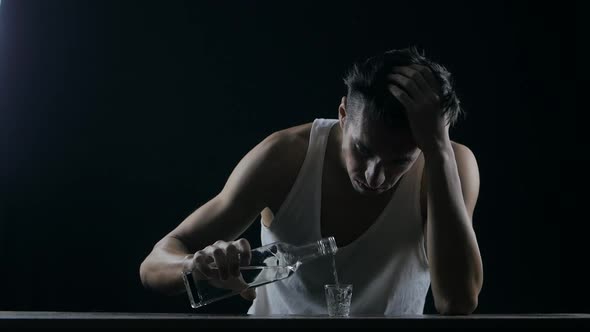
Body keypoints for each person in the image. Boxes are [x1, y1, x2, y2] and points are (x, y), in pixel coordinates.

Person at [139, 47, 483, 315]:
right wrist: (194, 266)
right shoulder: (285, 157)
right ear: (343, 115)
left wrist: (439, 154)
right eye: (362, 150)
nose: (373, 176)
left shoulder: (448, 164)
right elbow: (154, 265)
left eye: (399, 161)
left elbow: (456, 301)